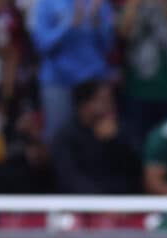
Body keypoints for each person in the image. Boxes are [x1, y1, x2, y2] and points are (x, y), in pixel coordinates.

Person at [28, 0, 115, 142]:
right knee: (58, 137)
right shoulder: (46, 3)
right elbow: (41, 45)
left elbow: (108, 48)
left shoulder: (99, 3)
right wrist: (68, 26)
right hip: (58, 81)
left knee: (102, 137)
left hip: (93, 81)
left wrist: (97, 22)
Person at [117, 0, 167, 147]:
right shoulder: (132, 4)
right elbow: (123, 34)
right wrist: (134, 5)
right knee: (137, 142)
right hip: (137, 87)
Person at [51, 80, 142, 194]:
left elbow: (138, 170)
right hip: (84, 204)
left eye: (112, 101)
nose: (111, 106)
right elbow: (70, 178)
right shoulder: (65, 137)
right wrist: (102, 204)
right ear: (83, 106)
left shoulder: (124, 130)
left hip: (126, 203)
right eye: (104, 101)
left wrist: (116, 140)